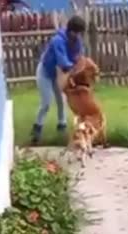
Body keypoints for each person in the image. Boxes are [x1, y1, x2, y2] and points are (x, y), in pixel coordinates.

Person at [31, 15, 86, 144]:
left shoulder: (76, 41)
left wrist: (80, 66)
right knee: (46, 103)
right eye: (77, 32)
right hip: (45, 73)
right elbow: (63, 62)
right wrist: (74, 68)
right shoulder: (58, 41)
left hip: (58, 73)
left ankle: (62, 127)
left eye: (80, 33)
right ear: (71, 30)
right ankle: (37, 130)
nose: (78, 35)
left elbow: (78, 57)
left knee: (62, 100)